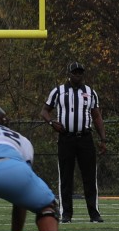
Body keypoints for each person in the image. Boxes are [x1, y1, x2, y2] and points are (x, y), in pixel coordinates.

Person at [43, 60, 105, 222]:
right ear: (69, 74)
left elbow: (96, 116)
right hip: (66, 138)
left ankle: (94, 213)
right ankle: (66, 213)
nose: (77, 75)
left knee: (90, 177)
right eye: (74, 72)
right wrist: (52, 123)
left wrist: (103, 139)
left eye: (80, 72)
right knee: (66, 177)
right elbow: (45, 111)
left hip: (85, 138)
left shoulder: (90, 92)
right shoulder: (58, 91)